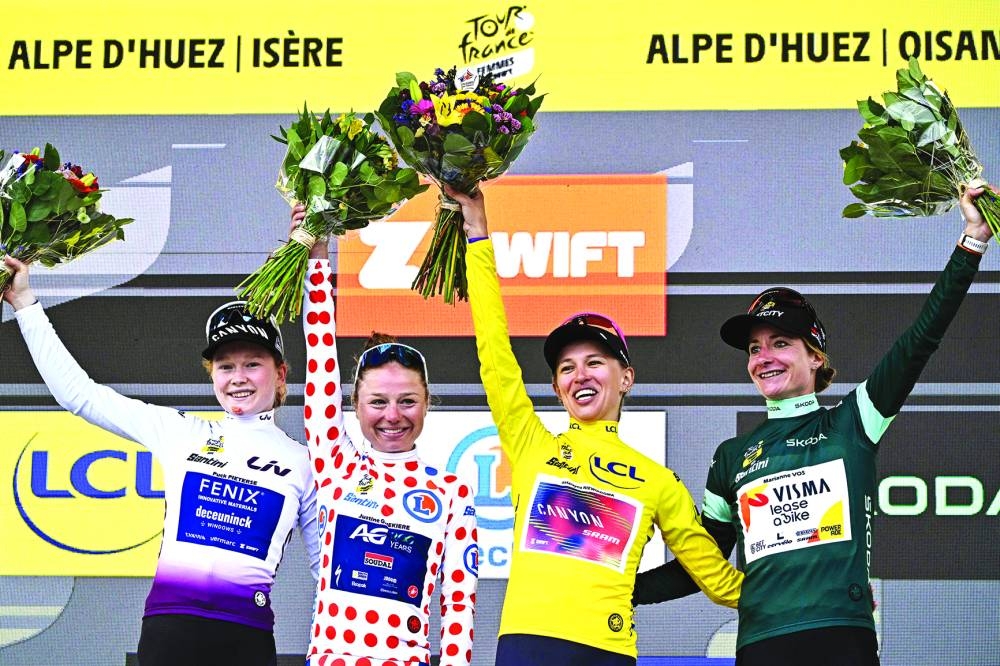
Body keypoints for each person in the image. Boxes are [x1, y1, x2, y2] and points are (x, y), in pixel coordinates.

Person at [633, 187, 995, 665]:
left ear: (815, 356)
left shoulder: (854, 420)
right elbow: (702, 565)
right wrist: (617, 586)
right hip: (760, 643)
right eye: (755, 349)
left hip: (841, 637)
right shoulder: (731, 457)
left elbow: (920, 340)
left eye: (780, 343)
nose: (764, 357)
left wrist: (973, 241)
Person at [446, 187, 743, 666]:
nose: (580, 375)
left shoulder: (658, 482)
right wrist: (479, 236)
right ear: (557, 388)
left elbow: (718, 580)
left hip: (609, 650)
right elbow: (494, 349)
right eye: (567, 368)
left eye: (595, 362)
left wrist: (810, 602)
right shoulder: (530, 443)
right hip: (527, 645)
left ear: (626, 378)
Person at [2, 256, 319, 666]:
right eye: (225, 366)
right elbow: (79, 394)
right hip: (169, 634)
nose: (238, 377)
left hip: (247, 638)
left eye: (252, 364)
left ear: (280, 374)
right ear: (212, 374)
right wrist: (25, 304)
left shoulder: (304, 462)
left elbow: (326, 571)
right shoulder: (181, 431)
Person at [293, 204, 478, 666]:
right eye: (378, 402)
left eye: (407, 401)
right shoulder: (336, 463)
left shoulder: (450, 492)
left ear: (428, 403)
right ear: (354, 404)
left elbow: (458, 605)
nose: (392, 416)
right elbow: (319, 352)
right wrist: (317, 254)